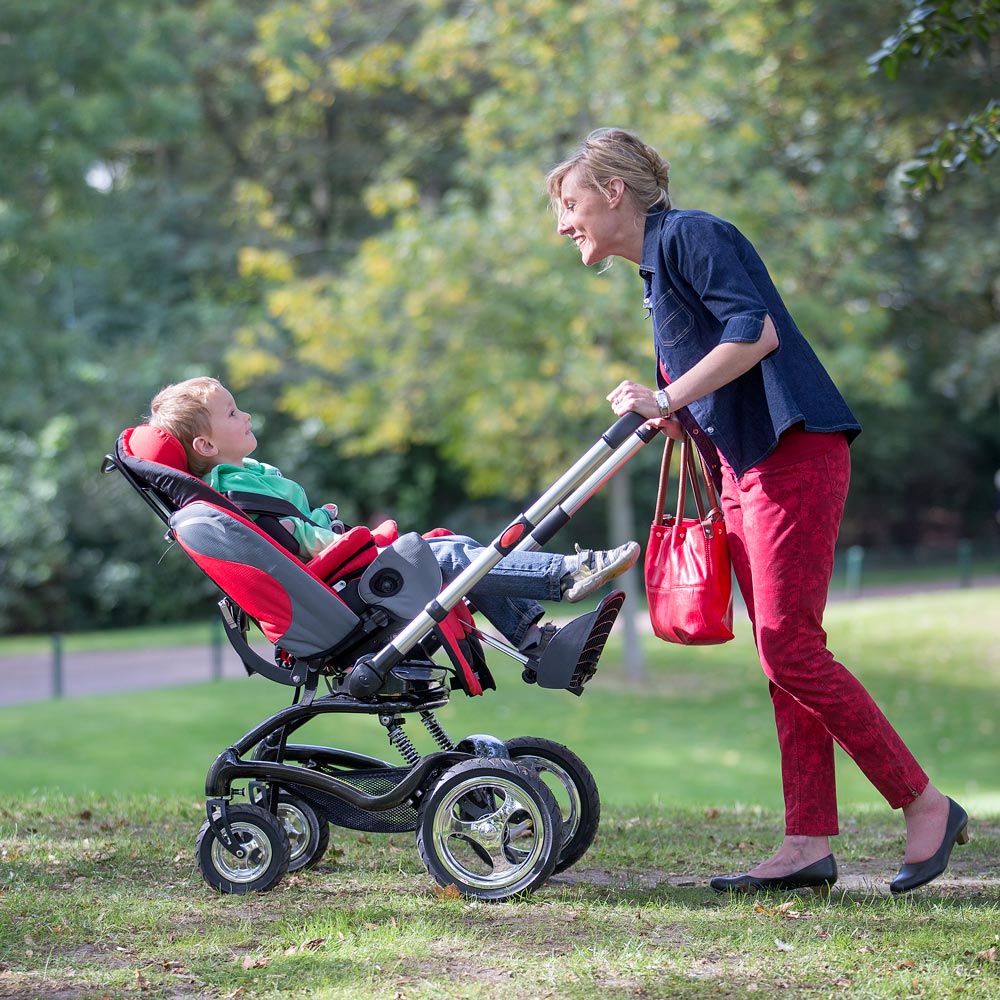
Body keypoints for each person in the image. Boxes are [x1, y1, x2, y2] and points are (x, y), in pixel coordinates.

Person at [545, 127, 968, 895]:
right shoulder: (657, 266)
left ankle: (927, 805)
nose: (563, 223)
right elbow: (724, 370)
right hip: (746, 465)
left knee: (790, 648)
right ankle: (807, 843)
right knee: (784, 661)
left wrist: (669, 393)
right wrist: (679, 414)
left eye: (571, 204)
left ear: (614, 193)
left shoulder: (691, 234)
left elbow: (756, 331)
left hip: (793, 454)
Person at [147, 376, 639, 657]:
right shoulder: (231, 493)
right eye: (232, 414)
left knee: (455, 549)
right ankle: (567, 574)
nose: (246, 415)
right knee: (446, 556)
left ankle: (533, 638)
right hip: (342, 592)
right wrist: (334, 536)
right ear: (206, 445)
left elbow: (295, 527)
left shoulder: (246, 476)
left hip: (341, 576)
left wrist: (324, 524)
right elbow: (291, 542)